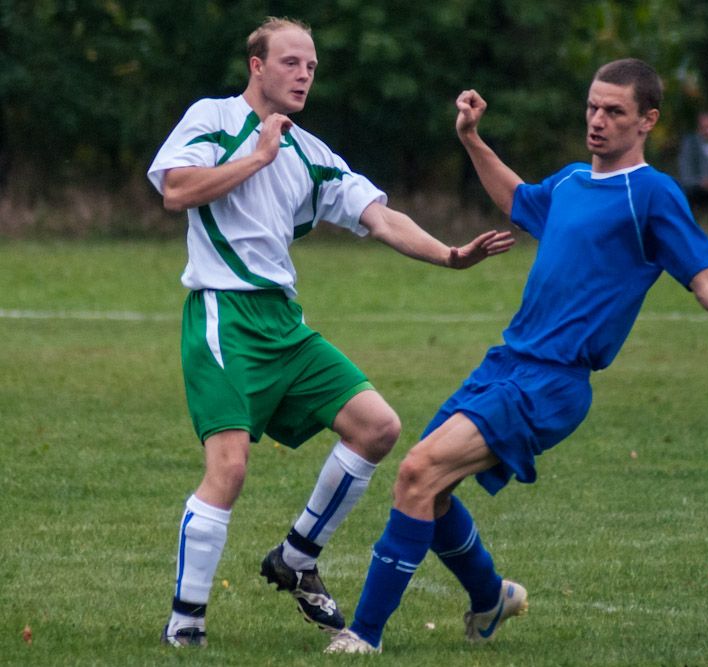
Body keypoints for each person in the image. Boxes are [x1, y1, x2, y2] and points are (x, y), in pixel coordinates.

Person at [324, 58, 708, 655]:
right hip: (506, 363)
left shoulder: (653, 195)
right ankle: (491, 598)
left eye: (614, 111)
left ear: (647, 121)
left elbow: (706, 280)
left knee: (415, 473)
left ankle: (363, 637)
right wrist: (472, 140)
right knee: (429, 493)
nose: (598, 120)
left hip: (553, 383)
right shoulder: (568, 183)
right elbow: (517, 199)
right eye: (593, 106)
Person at [146, 17, 514, 647]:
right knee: (228, 469)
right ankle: (185, 624)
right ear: (257, 66)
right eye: (291, 63)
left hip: (284, 324)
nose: (304, 76)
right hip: (223, 317)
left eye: (312, 67)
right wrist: (255, 155)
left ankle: (296, 554)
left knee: (378, 426)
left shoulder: (310, 154)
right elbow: (175, 190)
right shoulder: (211, 118)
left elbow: (382, 219)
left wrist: (451, 255)